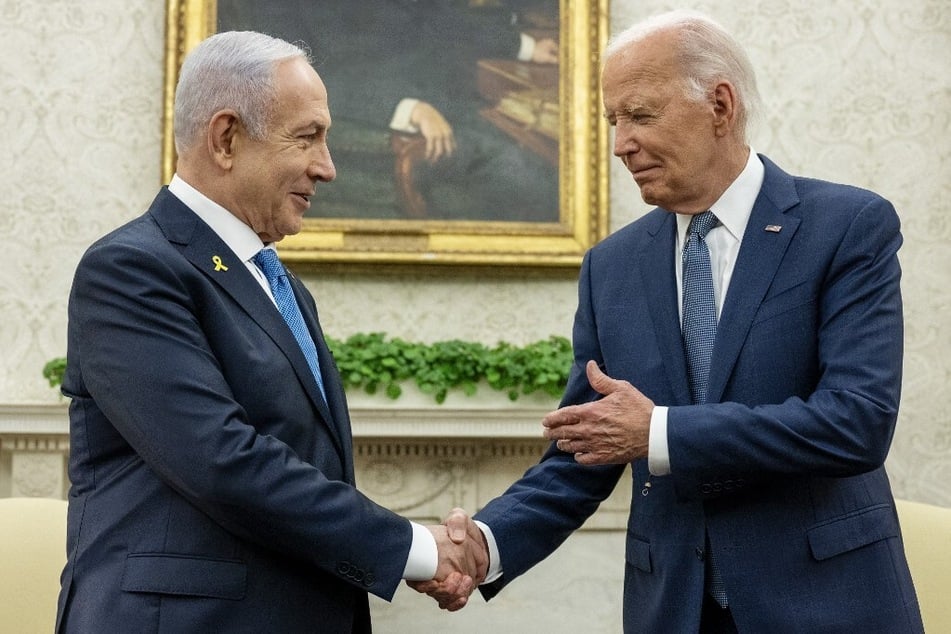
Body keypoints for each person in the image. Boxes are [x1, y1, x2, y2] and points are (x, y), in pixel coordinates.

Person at [414, 9, 923, 633]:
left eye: (641, 115)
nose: (620, 142)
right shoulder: (611, 266)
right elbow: (588, 449)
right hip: (675, 612)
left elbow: (856, 423)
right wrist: (485, 545)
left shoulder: (846, 227)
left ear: (720, 105)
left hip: (827, 606)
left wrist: (660, 433)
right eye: (613, 121)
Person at [55, 31, 485, 633]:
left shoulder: (277, 283)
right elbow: (222, 460)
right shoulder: (132, 269)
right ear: (226, 138)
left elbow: (301, 461)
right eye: (307, 137)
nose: (328, 167)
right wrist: (413, 548)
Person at [217, 0, 560, 221]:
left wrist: (526, 46)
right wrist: (406, 108)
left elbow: (437, 17)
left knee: (536, 158)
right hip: (377, 119)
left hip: (446, 104)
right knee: (520, 173)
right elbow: (287, 82)